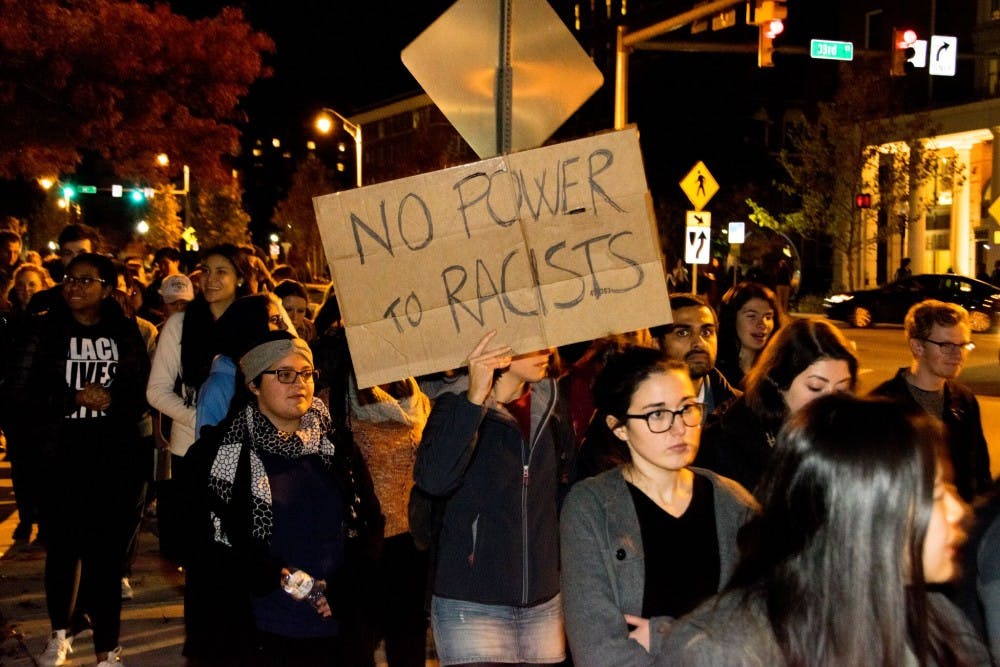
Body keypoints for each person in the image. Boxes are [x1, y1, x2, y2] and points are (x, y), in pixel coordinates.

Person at [658, 394, 988, 666]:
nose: (960, 511)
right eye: (937, 494)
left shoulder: (939, 622)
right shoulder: (723, 651)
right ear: (864, 514)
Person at [560, 347, 757, 666]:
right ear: (618, 426)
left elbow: (760, 625)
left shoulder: (731, 500)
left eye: (687, 408)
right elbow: (596, 649)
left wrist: (665, 633)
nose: (679, 428)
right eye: (657, 414)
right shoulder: (592, 507)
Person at [194, 332, 382, 665]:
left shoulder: (336, 445)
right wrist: (278, 576)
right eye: (284, 374)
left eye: (307, 373)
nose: (299, 383)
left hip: (337, 628)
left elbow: (369, 525)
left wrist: (341, 588)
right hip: (261, 630)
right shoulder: (225, 452)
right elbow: (210, 545)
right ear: (253, 384)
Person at [2, 253, 151, 667]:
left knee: (106, 557)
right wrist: (72, 398)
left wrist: (112, 398)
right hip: (59, 456)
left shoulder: (123, 330)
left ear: (107, 288)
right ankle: (60, 634)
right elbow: (17, 392)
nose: (75, 287)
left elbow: (141, 386)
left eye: (87, 281)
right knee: (64, 550)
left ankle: (108, 649)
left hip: (113, 457)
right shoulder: (44, 328)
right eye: (70, 279)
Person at [413, 331, 575, 666]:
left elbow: (563, 487)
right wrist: (473, 399)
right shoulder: (455, 403)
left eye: (548, 335)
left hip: (544, 603)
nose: (547, 348)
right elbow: (432, 480)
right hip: (472, 604)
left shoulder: (552, 400)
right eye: (533, 337)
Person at [146, 244, 249, 563]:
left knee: (239, 548)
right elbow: (156, 391)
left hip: (243, 449)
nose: (211, 279)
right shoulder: (180, 325)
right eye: (206, 271)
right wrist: (201, 418)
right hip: (190, 449)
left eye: (222, 271)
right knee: (198, 551)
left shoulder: (257, 321)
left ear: (240, 279)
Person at [696, 317, 857, 494]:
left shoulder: (852, 440)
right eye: (815, 387)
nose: (831, 401)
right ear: (779, 382)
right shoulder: (728, 444)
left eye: (841, 390)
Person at [870, 299, 992, 501]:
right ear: (917, 346)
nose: (958, 354)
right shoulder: (882, 407)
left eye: (963, 345)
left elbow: (980, 475)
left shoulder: (964, 400)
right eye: (946, 345)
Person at [652, 293, 740, 416]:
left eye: (706, 332)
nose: (699, 342)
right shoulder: (636, 408)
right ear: (656, 343)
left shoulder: (741, 409)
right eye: (683, 333)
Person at [714, 282, 784, 388]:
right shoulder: (715, 371)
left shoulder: (777, 368)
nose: (762, 324)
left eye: (768, 317)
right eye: (751, 316)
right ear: (731, 319)